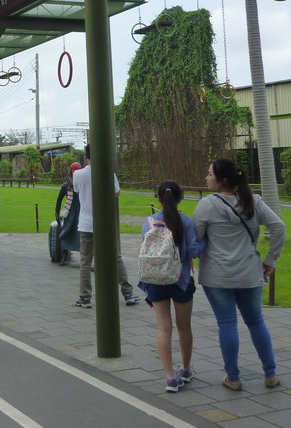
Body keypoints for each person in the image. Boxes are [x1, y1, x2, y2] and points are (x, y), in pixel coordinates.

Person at [194, 158, 286, 391]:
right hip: (249, 272)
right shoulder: (253, 201)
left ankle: (233, 377)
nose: (206, 178)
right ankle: (270, 374)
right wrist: (271, 260)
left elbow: (197, 239)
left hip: (217, 276)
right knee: (256, 321)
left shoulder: (206, 205)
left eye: (210, 174)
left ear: (222, 179)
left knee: (227, 324)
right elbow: (279, 227)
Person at [138, 180, 204, 393]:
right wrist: (206, 242)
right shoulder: (185, 221)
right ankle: (185, 369)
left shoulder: (149, 222)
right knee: (184, 326)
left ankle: (170, 377)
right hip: (181, 280)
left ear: (158, 198)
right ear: (180, 198)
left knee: (163, 328)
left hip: (155, 280)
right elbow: (193, 251)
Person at [71, 144, 140, 308]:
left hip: (86, 223)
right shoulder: (108, 172)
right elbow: (117, 192)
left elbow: (78, 191)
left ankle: (85, 296)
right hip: (105, 224)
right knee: (116, 258)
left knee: (85, 262)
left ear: (86, 156)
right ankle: (127, 292)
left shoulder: (78, 174)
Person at [55, 162, 82, 266]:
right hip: (69, 213)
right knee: (66, 233)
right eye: (73, 170)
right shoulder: (66, 186)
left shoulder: (82, 184)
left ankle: (84, 258)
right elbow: (59, 199)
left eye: (77, 171)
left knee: (82, 235)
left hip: (81, 212)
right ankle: (64, 255)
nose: (75, 173)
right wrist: (57, 212)